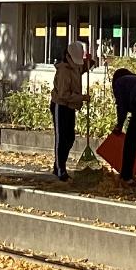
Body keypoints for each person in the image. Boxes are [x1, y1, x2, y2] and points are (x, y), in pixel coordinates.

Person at [49, 40, 94, 182]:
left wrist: (90, 60)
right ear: (67, 57)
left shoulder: (76, 67)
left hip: (70, 107)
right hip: (60, 106)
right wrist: (82, 97)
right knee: (61, 139)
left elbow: (86, 66)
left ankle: (58, 166)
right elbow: (64, 95)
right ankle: (60, 168)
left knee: (70, 138)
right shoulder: (63, 71)